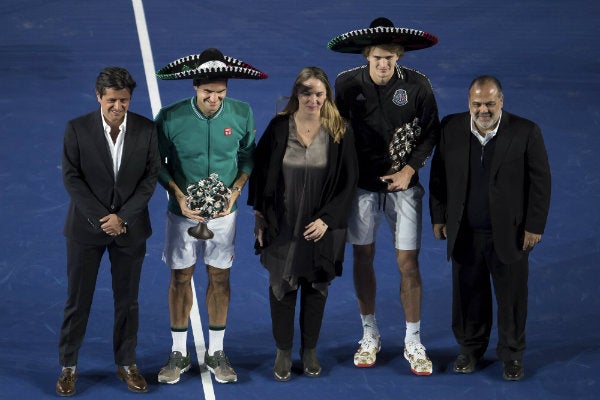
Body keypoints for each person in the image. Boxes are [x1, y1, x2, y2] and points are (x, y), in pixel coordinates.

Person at [328, 17, 440, 375]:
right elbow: (337, 132)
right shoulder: (345, 84)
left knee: (408, 263)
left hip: (403, 188)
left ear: (399, 56)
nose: (383, 64)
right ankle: (370, 333)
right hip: (362, 188)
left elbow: (431, 132)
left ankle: (413, 339)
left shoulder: (418, 86)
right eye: (377, 57)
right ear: (366, 56)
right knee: (363, 256)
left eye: (390, 58)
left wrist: (410, 169)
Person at [154, 48, 267, 385]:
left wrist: (236, 189)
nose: (214, 99)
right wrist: (176, 193)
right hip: (182, 215)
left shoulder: (242, 113)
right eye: (207, 93)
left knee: (220, 279)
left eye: (220, 93)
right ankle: (178, 351)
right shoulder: (170, 117)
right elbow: (156, 164)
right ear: (194, 87)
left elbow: (248, 157)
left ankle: (216, 351)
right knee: (179, 278)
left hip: (224, 215)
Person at [429, 75, 551, 381]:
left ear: (501, 102)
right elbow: (439, 176)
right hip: (465, 232)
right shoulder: (451, 128)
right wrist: (439, 216)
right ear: (469, 102)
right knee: (468, 296)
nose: (483, 110)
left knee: (511, 300)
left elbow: (540, 183)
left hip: (510, 235)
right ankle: (469, 350)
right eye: (477, 103)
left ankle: (512, 356)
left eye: (489, 103)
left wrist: (534, 226)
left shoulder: (525, 131)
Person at [248, 67, 358, 381]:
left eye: (319, 93)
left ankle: (309, 350)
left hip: (322, 226)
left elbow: (349, 182)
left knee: (317, 285)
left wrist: (327, 220)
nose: (313, 99)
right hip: (283, 223)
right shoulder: (279, 127)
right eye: (306, 92)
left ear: (327, 97)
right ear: (297, 93)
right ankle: (283, 351)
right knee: (282, 286)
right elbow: (260, 175)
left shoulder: (340, 130)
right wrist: (259, 218)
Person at [56, 67, 160, 396]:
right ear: (98, 96)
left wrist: (123, 218)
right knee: (77, 300)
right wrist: (104, 217)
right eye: (112, 100)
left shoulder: (146, 129)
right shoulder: (76, 129)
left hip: (130, 230)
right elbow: (72, 178)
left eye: (124, 100)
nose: (118, 106)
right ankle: (69, 366)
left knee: (127, 302)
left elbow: (150, 177)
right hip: (87, 230)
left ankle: (126, 363)